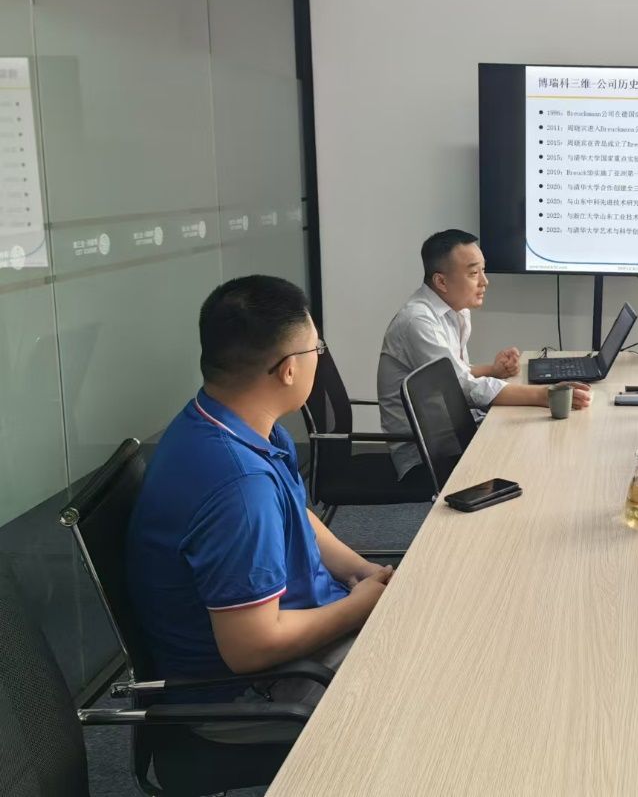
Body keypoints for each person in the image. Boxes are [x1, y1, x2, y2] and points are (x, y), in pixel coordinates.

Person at [126, 275, 390, 738]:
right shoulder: (240, 487)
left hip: (298, 639)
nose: (318, 358)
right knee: (429, 684)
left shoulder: (228, 422)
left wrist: (363, 571)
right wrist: (360, 607)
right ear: (288, 369)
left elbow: (297, 513)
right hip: (250, 694)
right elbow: (252, 648)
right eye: (316, 349)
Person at [378, 228, 591, 479]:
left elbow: (452, 373)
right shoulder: (418, 322)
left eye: (483, 270)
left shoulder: (455, 311)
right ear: (441, 282)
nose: (484, 281)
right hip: (428, 454)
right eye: (473, 273)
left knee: (536, 436)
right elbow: (460, 388)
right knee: (536, 449)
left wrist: (493, 370)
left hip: (453, 431)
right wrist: (546, 395)